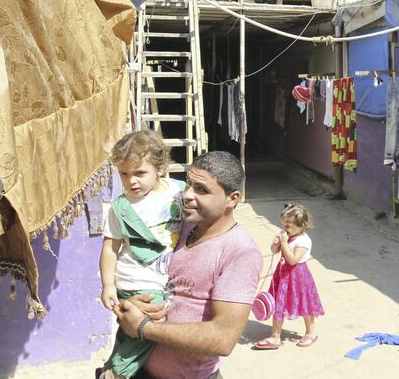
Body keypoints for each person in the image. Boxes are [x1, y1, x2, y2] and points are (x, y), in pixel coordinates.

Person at [115, 151, 263, 379]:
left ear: (232, 199)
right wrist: (129, 305)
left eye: (201, 190)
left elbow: (223, 338)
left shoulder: (239, 252)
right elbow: (135, 270)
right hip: (138, 368)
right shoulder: (177, 226)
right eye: (188, 184)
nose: (187, 195)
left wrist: (145, 328)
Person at [99, 130, 184, 379]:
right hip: (137, 280)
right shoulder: (122, 207)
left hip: (161, 276)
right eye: (124, 174)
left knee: (129, 332)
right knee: (151, 326)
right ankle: (117, 372)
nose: (131, 181)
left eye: (139, 173)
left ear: (160, 168)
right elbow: (109, 247)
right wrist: (107, 286)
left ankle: (110, 366)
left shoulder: (178, 192)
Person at [252, 203, 324, 350]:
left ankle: (310, 333)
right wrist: (276, 245)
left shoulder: (303, 241)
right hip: (282, 274)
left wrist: (284, 243)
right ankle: (275, 336)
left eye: (289, 226)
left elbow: (293, 260)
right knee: (279, 302)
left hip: (298, 276)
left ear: (302, 225)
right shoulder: (284, 233)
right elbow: (274, 251)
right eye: (284, 225)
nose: (285, 229)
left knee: (305, 304)